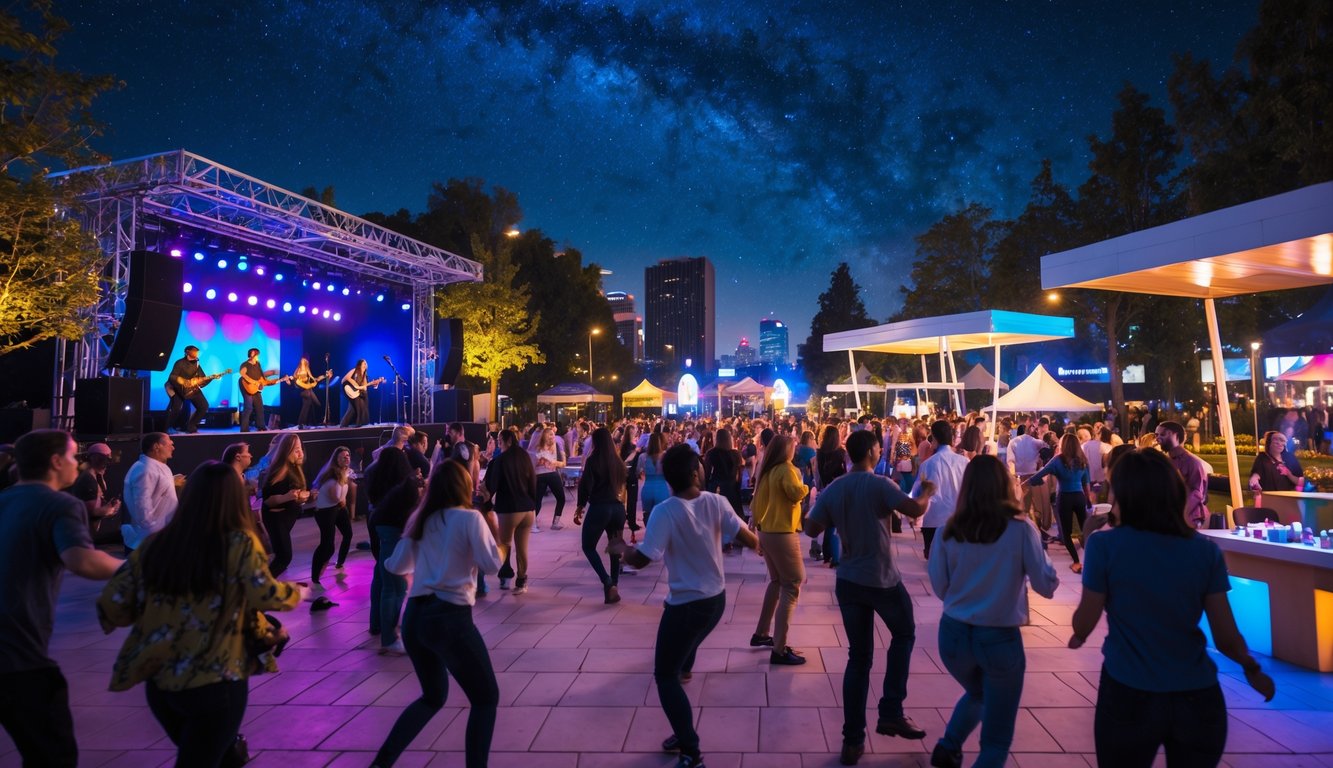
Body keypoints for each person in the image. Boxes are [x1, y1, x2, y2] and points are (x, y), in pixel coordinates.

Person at [1070, 448, 1275, 767]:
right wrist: (1251, 668)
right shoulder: (1204, 552)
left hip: (1129, 691)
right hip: (1197, 693)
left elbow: (1083, 624)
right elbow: (1226, 635)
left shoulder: (1105, 546)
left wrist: (1086, 539)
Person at [97, 461, 305, 768]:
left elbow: (112, 607)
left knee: (217, 758)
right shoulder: (238, 542)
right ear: (234, 498)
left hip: (161, 682)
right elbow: (263, 595)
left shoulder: (157, 543)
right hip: (215, 676)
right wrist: (297, 593)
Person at [614, 444, 761, 768]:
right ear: (696, 472)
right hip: (715, 601)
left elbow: (641, 560)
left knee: (665, 676)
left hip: (685, 605)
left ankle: (690, 751)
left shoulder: (666, 511)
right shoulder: (717, 502)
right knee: (680, 663)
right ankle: (683, 703)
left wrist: (621, 548)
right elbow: (750, 540)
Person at [805, 430, 935, 766]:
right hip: (881, 579)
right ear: (874, 452)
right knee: (904, 633)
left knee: (858, 658)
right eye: (879, 447)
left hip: (848, 580)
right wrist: (929, 492)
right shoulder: (880, 484)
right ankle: (891, 709)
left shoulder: (836, 488)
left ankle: (852, 741)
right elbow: (914, 508)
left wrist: (828, 510)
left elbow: (811, 529)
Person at [926, 455, 1059, 768]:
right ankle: (949, 747)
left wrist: (964, 598)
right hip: (999, 637)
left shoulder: (949, 529)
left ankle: (948, 747)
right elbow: (1046, 584)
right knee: (996, 741)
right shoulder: (1020, 529)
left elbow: (939, 584)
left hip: (953, 634)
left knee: (978, 692)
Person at [0, 430, 122, 767]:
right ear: (56, 462)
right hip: (19, 656)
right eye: (72, 457)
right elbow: (82, 561)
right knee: (52, 755)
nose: (77, 463)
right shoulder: (59, 503)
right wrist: (135, 567)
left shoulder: (4, 498)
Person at [373, 460, 502, 768]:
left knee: (432, 697)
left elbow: (396, 565)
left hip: (416, 618)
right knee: (485, 699)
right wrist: (499, 536)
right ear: (464, 487)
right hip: (450, 618)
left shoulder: (421, 519)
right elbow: (492, 565)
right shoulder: (470, 519)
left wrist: (424, 565)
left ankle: (382, 762)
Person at [750, 433, 811, 665]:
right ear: (786, 450)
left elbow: (756, 503)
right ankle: (779, 648)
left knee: (777, 582)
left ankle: (762, 634)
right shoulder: (786, 469)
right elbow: (795, 493)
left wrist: (756, 532)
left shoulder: (767, 470)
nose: (795, 449)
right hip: (782, 532)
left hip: (767, 531)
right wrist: (806, 487)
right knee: (793, 583)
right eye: (793, 446)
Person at [367, 447, 422, 655]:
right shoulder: (406, 484)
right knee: (395, 586)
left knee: (381, 576)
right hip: (395, 530)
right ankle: (389, 638)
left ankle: (376, 624)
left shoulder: (375, 478)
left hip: (378, 527)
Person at [573, 427, 629, 604]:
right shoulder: (618, 461)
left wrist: (580, 505)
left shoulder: (593, 460)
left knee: (588, 546)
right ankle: (614, 586)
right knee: (615, 548)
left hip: (600, 508)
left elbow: (585, 486)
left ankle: (607, 581)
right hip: (618, 509)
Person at [483, 429, 538, 594]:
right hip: (527, 509)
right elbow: (533, 482)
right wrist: (532, 502)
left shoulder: (500, 461)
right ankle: (521, 581)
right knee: (522, 548)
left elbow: (492, 486)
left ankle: (505, 576)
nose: (498, 443)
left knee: (504, 545)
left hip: (509, 509)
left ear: (507, 440)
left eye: (500, 440)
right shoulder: (525, 457)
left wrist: (486, 501)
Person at [1029, 433, 1093, 573]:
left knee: (1066, 533)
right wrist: (1088, 501)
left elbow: (1040, 475)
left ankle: (1076, 562)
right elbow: (1086, 485)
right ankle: (1090, 561)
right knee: (1085, 530)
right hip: (1079, 497)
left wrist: (1029, 482)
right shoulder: (1083, 460)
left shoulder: (1058, 460)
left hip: (1064, 498)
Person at [913, 420, 969, 559]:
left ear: (934, 438)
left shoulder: (928, 464)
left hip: (933, 519)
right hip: (959, 519)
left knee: (934, 562)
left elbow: (917, 492)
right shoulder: (964, 462)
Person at [260, 433, 310, 578]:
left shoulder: (294, 467)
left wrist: (303, 498)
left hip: (286, 519)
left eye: (300, 448)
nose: (301, 453)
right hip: (277, 519)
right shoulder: (280, 470)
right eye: (296, 450)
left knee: (282, 556)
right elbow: (268, 500)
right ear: (285, 451)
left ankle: (264, 586)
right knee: (284, 557)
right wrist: (288, 496)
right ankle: (261, 587)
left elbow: (292, 496)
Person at [122, 432, 179, 552]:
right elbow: (142, 504)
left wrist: (171, 482)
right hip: (148, 542)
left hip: (159, 537)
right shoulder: (145, 469)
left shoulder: (156, 467)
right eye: (170, 444)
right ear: (156, 446)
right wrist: (152, 532)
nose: (173, 447)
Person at [311, 446, 356, 587]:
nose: (346, 458)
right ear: (336, 459)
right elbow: (335, 495)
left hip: (338, 508)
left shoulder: (347, 472)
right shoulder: (331, 474)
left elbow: (343, 493)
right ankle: (316, 574)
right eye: (343, 456)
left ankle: (339, 562)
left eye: (348, 455)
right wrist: (342, 501)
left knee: (348, 534)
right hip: (325, 511)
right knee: (327, 544)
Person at [1155, 421, 1212, 528]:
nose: (1158, 439)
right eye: (1156, 435)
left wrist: (1180, 513)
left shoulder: (1192, 462)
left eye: (1163, 434)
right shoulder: (1164, 461)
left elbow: (1197, 493)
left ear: (1176, 435)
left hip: (1190, 519)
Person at [813, 425, 849, 565]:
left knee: (829, 523)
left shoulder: (820, 452)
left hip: (825, 489)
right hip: (838, 489)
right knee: (834, 524)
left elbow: (818, 473)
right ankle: (834, 556)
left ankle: (828, 554)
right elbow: (846, 471)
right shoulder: (840, 453)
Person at [66, 441, 120, 533]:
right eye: (106, 460)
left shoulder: (93, 476)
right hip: (82, 531)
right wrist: (109, 510)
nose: (107, 465)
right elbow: (90, 513)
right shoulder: (88, 480)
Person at [166, 345, 211, 433]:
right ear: (187, 352)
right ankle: (167, 427)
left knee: (203, 406)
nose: (196, 353)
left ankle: (191, 426)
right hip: (175, 388)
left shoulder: (196, 363)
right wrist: (182, 381)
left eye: (197, 351)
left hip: (190, 389)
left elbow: (202, 377)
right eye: (194, 351)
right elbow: (172, 376)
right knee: (176, 407)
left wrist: (209, 378)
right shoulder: (180, 363)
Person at [530, 426, 567, 531]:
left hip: (546, 474)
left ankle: (539, 524)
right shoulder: (543, 446)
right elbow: (561, 464)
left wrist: (555, 461)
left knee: (541, 500)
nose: (553, 436)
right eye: (550, 434)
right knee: (541, 500)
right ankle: (537, 524)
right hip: (546, 475)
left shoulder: (552, 445)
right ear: (545, 436)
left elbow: (562, 464)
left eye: (553, 434)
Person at [1249, 430, 1305, 495]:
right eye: (1275, 440)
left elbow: (1300, 482)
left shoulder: (1290, 458)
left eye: (1282, 440)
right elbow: (1257, 473)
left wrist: (1289, 474)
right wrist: (1254, 481)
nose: (1279, 443)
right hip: (1269, 498)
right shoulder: (1263, 458)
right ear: (1269, 442)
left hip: (1287, 498)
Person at [639, 432, 669, 527]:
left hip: (648, 487)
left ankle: (649, 534)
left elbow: (638, 472)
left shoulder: (643, 457)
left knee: (647, 514)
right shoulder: (665, 456)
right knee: (662, 515)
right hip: (662, 488)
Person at [237, 347, 270, 433]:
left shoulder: (258, 364)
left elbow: (261, 376)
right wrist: (254, 382)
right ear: (252, 355)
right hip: (246, 385)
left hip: (256, 387)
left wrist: (262, 383)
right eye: (256, 354)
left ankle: (261, 426)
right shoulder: (245, 364)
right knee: (248, 407)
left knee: (260, 407)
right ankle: (244, 429)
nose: (257, 356)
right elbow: (243, 374)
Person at [293, 356, 330, 428]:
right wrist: (314, 384)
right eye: (302, 362)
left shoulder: (307, 370)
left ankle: (307, 423)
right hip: (304, 392)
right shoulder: (297, 374)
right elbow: (306, 386)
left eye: (305, 362)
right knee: (307, 407)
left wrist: (325, 375)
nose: (303, 373)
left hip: (309, 391)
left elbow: (316, 379)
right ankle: (301, 424)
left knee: (311, 405)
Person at [339, 359, 375, 427]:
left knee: (352, 410)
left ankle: (343, 425)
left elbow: (364, 387)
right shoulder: (354, 370)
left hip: (358, 392)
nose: (365, 365)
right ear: (360, 364)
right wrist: (353, 383)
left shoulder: (365, 374)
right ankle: (359, 425)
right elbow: (344, 379)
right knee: (360, 408)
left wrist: (373, 384)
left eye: (366, 363)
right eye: (364, 363)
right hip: (352, 391)